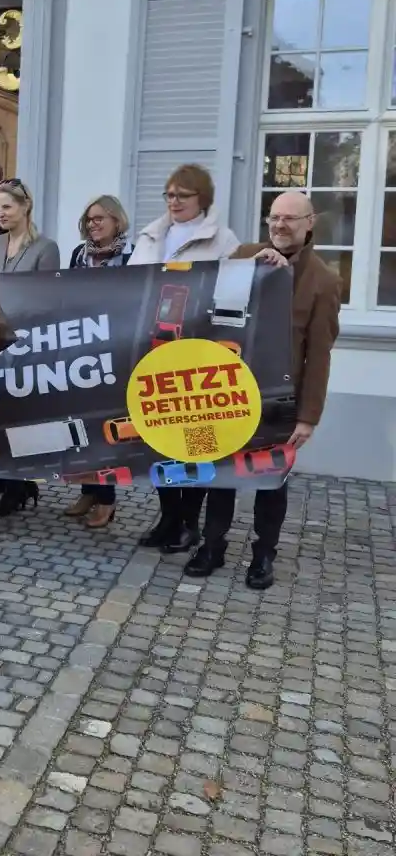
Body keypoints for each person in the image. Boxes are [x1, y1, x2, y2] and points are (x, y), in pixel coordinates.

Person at [185, 191, 340, 589]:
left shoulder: (323, 280)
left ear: (309, 223)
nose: (279, 225)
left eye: (289, 218)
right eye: (274, 217)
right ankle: (212, 546)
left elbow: (319, 355)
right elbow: (208, 306)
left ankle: (264, 554)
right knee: (220, 475)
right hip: (228, 390)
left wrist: (308, 417)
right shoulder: (244, 256)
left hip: (279, 399)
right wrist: (250, 267)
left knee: (272, 482)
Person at [128, 164, 241, 554]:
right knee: (159, 440)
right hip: (153, 352)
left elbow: (229, 297)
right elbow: (129, 288)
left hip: (196, 356)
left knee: (194, 443)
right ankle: (168, 517)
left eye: (182, 195)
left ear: (202, 198)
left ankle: (189, 522)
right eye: (169, 194)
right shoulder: (151, 236)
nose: (174, 202)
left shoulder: (223, 240)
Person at [0, 177, 59, 516]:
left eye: (7, 207)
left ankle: (19, 486)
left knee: (20, 418)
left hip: (28, 343)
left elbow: (47, 299)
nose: (0, 213)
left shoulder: (45, 248)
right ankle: (10, 483)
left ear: (25, 207)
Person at [65, 195, 133, 528]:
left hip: (115, 350)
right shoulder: (79, 255)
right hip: (81, 349)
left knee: (106, 429)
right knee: (82, 425)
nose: (93, 224)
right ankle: (89, 490)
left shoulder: (132, 256)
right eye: (89, 219)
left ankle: (107, 499)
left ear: (116, 221)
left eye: (99, 218)